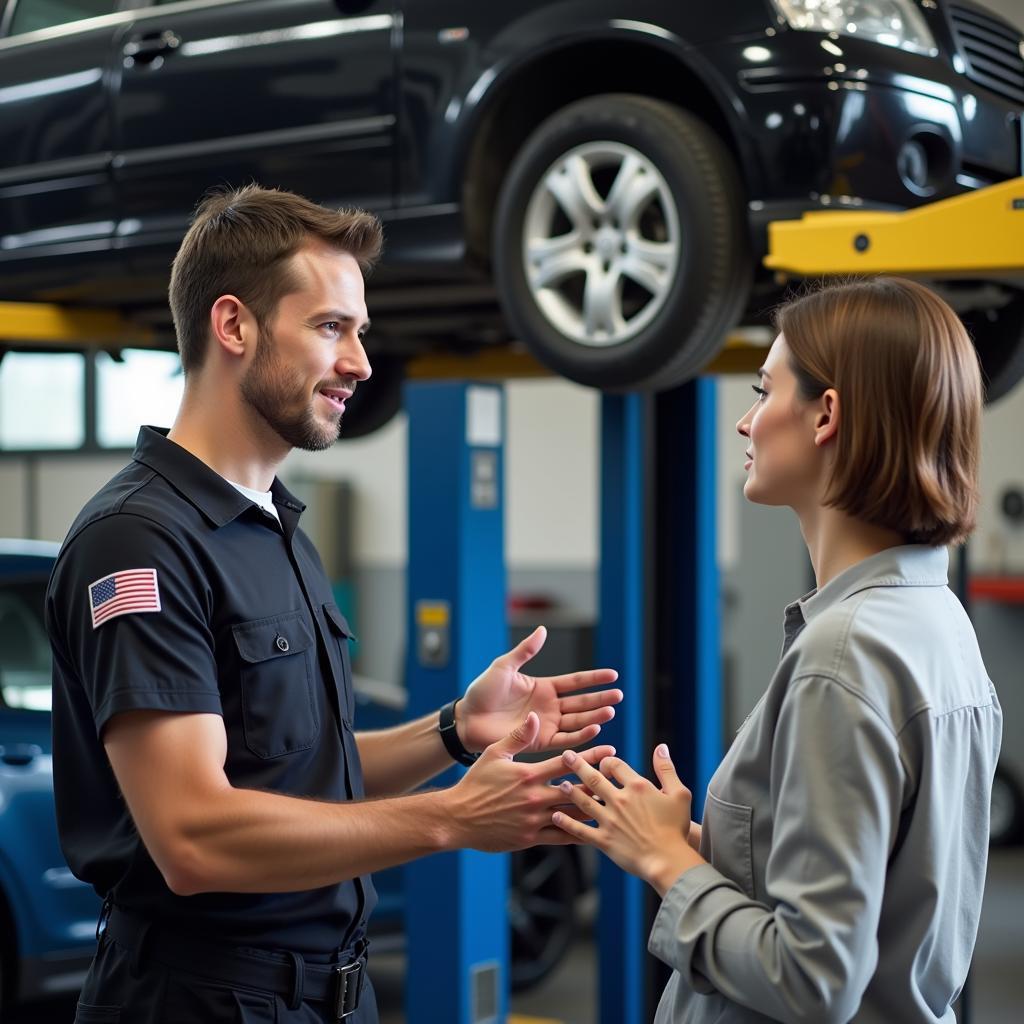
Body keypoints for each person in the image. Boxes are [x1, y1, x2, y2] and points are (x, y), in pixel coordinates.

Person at [45, 184, 622, 1024]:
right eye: (330, 328)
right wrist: (452, 820)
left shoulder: (273, 526)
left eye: (359, 332)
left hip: (324, 998)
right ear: (234, 326)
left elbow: (307, 769)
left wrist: (455, 730)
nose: (360, 362)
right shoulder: (140, 542)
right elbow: (193, 836)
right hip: (201, 1001)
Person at [553, 277, 1002, 1023]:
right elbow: (870, 893)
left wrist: (671, 865)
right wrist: (678, 839)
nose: (746, 423)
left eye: (765, 391)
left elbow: (813, 977)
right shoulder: (935, 621)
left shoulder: (845, 656)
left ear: (827, 414)